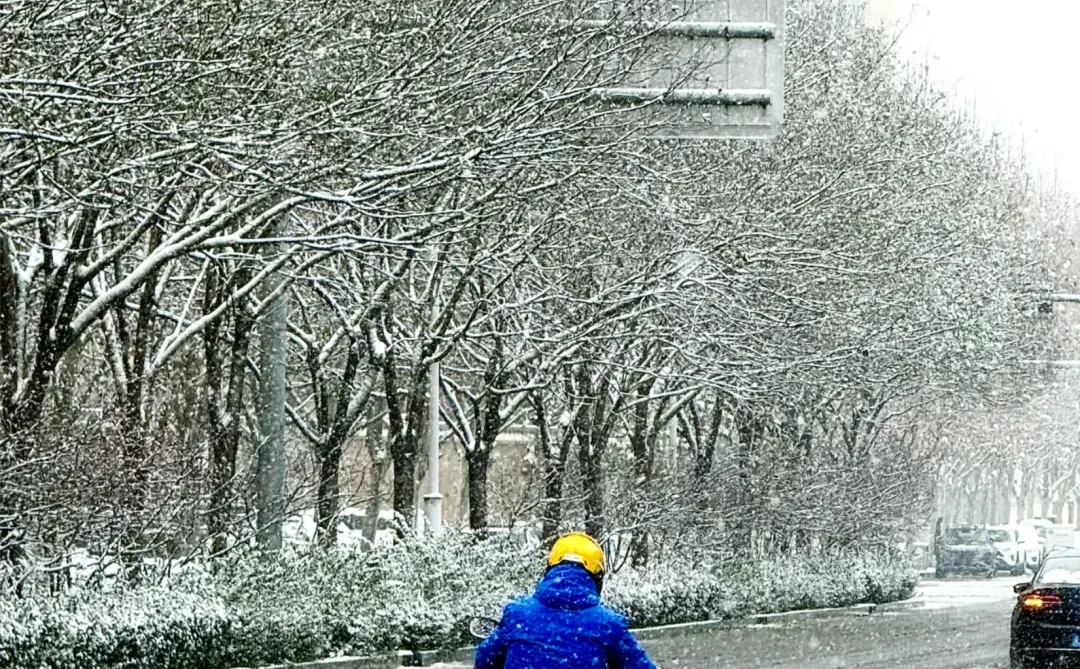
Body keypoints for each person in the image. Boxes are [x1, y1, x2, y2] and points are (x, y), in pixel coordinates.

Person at [475, 532, 659, 669]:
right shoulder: (607, 624)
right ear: (597, 577)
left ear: (550, 568)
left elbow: (484, 659)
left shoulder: (517, 615)